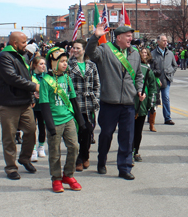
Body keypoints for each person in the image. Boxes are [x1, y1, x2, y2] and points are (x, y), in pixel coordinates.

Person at [85, 24, 145, 180]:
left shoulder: (135, 54)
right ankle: (101, 160)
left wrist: (139, 90)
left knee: (127, 136)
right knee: (106, 134)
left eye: (131, 36)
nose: (131, 38)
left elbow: (138, 75)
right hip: (109, 102)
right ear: (119, 38)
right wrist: (95, 37)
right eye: (128, 36)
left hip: (128, 103)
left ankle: (124, 168)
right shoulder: (105, 50)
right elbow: (90, 53)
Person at [0, 32, 40, 180]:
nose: (26, 45)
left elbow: (26, 76)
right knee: (10, 137)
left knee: (31, 131)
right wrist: (34, 87)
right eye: (24, 42)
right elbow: (13, 78)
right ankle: (11, 168)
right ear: (14, 43)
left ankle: (24, 158)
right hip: (8, 103)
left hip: (24, 102)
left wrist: (31, 96)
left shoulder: (22, 55)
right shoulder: (4, 57)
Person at [39, 47, 86, 192]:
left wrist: (81, 121)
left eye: (66, 61)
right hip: (54, 121)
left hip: (68, 119)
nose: (65, 64)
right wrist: (50, 125)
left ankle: (68, 175)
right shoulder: (45, 81)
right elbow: (44, 105)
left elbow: (73, 100)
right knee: (55, 152)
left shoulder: (66, 77)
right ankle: (56, 179)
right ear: (53, 62)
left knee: (74, 147)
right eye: (62, 61)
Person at [68, 39, 100, 172]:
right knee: (77, 132)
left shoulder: (91, 65)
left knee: (88, 131)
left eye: (77, 48)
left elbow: (97, 85)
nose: (75, 50)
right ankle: (79, 159)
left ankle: (85, 155)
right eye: (73, 48)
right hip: (75, 103)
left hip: (88, 103)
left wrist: (96, 99)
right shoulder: (68, 65)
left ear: (84, 50)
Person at [132, 50, 157, 162]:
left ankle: (135, 151)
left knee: (138, 131)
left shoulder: (146, 69)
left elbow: (152, 88)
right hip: (128, 104)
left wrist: (152, 104)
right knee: (127, 131)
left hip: (141, 105)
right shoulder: (127, 68)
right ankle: (126, 151)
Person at [151, 34, 177, 125]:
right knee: (153, 99)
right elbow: (149, 67)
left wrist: (170, 73)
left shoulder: (169, 53)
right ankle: (150, 116)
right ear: (158, 42)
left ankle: (167, 118)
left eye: (166, 41)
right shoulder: (153, 53)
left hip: (166, 80)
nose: (165, 42)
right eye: (163, 41)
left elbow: (175, 65)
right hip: (156, 81)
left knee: (166, 98)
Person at [30, 56, 47, 161]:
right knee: (31, 128)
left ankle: (41, 146)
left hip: (43, 106)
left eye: (44, 64)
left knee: (42, 127)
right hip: (32, 105)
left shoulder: (47, 77)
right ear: (35, 65)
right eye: (41, 64)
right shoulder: (30, 76)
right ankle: (32, 149)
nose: (43, 66)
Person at [140, 47, 158, 132]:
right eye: (142, 52)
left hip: (151, 84)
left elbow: (158, 71)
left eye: (145, 53)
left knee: (152, 106)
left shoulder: (152, 62)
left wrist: (150, 72)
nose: (144, 54)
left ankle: (151, 124)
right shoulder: (138, 63)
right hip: (142, 87)